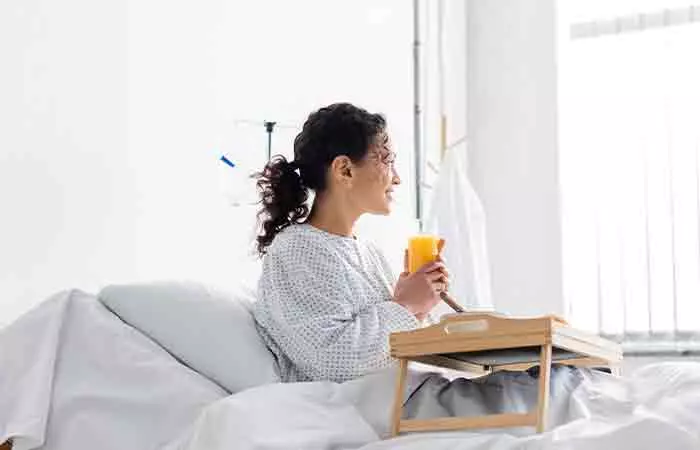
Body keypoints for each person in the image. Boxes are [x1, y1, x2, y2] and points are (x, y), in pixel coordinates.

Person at [252, 103, 585, 423]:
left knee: (563, 379)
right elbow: (333, 361)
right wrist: (406, 306)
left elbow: (390, 344)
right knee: (559, 397)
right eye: (388, 160)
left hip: (407, 394)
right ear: (345, 169)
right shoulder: (295, 249)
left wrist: (420, 306)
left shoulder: (368, 253)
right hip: (366, 409)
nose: (396, 179)